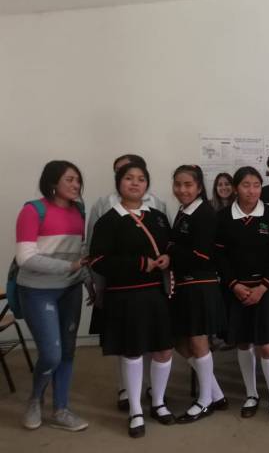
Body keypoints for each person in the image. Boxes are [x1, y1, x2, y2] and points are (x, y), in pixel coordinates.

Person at [89, 162, 175, 438]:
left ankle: (158, 402)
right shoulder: (108, 220)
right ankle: (136, 409)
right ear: (119, 183)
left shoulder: (157, 217)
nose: (135, 183)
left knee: (163, 351)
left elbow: (170, 245)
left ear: (147, 184)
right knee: (133, 351)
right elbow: (98, 261)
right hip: (124, 296)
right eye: (129, 178)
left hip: (156, 294)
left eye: (140, 179)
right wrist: (139, 263)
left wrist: (168, 257)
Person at [16, 161, 89, 432]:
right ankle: (35, 399)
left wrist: (88, 281)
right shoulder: (32, 210)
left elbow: (81, 252)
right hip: (37, 291)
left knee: (67, 352)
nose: (76, 185)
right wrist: (69, 267)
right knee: (51, 354)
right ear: (52, 182)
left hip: (70, 290)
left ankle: (61, 409)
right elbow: (25, 258)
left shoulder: (79, 210)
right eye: (69, 179)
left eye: (78, 180)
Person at [216, 166, 269, 424]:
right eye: (246, 185)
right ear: (236, 188)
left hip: (265, 290)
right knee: (244, 343)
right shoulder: (223, 217)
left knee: (267, 344)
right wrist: (234, 285)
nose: (252, 190)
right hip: (236, 290)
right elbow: (220, 256)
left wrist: (263, 287)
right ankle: (251, 394)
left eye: (256, 185)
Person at [168, 165, 228, 423]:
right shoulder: (184, 210)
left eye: (188, 185)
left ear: (199, 187)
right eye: (178, 184)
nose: (182, 189)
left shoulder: (204, 213)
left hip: (200, 285)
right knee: (180, 342)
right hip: (184, 285)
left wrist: (169, 249)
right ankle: (216, 393)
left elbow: (201, 256)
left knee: (198, 341)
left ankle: (205, 401)